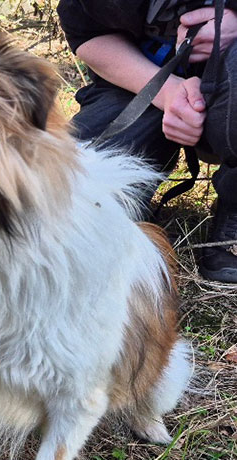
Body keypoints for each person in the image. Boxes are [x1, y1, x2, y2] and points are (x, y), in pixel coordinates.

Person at [57, 0, 237, 283]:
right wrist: (166, 92)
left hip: (231, 78)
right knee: (76, 198)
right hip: (139, 83)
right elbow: (85, 32)